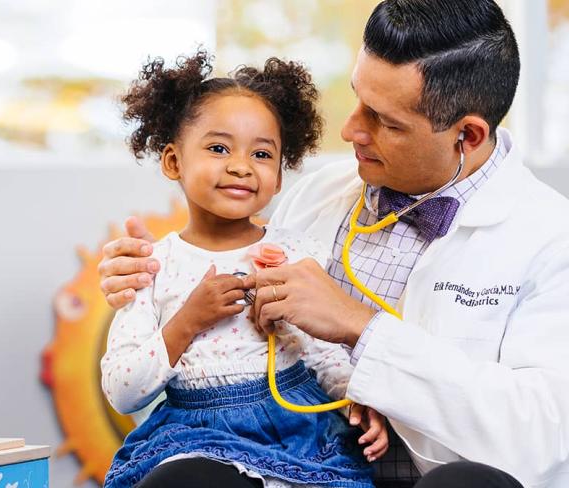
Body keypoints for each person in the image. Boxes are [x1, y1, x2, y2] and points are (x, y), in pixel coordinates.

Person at [99, 2, 569, 487]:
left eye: (385, 121)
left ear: (467, 135)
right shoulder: (318, 196)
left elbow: (533, 442)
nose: (351, 130)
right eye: (358, 98)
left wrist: (360, 326)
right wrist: (140, 282)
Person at [101, 50, 389, 488]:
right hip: (198, 438)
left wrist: (355, 398)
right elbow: (123, 392)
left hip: (296, 435)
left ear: (277, 177)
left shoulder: (295, 253)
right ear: (174, 161)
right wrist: (187, 321)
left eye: (261, 154)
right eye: (218, 148)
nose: (240, 165)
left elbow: (324, 350)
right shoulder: (152, 268)